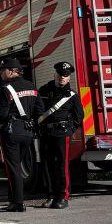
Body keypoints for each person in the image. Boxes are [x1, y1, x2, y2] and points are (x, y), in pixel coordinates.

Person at [0, 58, 40, 212]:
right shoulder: (32, 86)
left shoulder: (6, 89)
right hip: (27, 132)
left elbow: (2, 112)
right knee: (18, 165)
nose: (0, 73)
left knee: (13, 168)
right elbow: (39, 110)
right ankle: (13, 199)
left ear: (11, 71)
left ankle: (18, 203)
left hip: (11, 131)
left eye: (2, 70)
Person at [37, 61, 84, 209]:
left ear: (69, 78)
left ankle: (63, 197)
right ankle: (50, 196)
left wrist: (70, 130)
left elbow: (79, 116)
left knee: (61, 165)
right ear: (55, 74)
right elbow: (37, 110)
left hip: (62, 134)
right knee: (47, 165)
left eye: (65, 76)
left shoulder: (72, 95)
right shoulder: (44, 90)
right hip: (46, 133)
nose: (62, 78)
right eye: (60, 75)